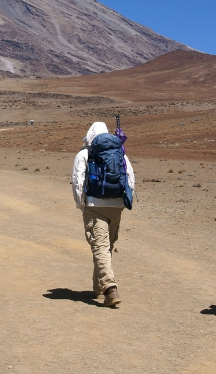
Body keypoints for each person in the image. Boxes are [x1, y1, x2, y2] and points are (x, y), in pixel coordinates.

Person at [71, 121, 135, 307]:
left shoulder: (85, 154)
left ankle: (110, 289)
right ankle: (99, 288)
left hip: (95, 204)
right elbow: (130, 177)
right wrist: (124, 201)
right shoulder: (119, 152)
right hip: (116, 205)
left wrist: (81, 205)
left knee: (100, 246)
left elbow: (78, 180)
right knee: (106, 247)